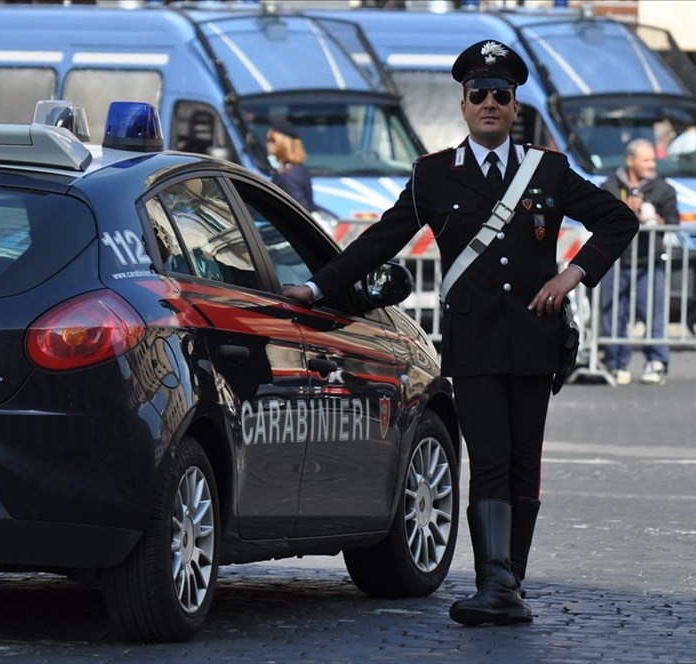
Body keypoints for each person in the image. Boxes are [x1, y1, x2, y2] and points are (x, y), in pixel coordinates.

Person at [282, 40, 638, 627]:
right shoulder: (433, 175)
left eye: (502, 94)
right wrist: (317, 289)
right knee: (491, 458)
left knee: (525, 462)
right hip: (474, 345)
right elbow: (380, 240)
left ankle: (509, 580)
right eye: (480, 94)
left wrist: (573, 275)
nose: (491, 103)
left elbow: (618, 219)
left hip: (534, 339)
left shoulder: (546, 170)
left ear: (516, 104)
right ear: (464, 103)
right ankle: (495, 579)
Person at [600, 138, 678, 385]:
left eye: (653, 159)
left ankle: (656, 362)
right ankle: (616, 363)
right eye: (646, 159)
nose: (652, 164)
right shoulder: (609, 185)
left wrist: (654, 218)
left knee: (653, 311)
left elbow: (673, 221)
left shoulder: (663, 188)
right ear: (630, 160)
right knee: (613, 312)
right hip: (615, 259)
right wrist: (624, 207)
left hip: (649, 259)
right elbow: (599, 214)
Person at [266, 120, 317, 212]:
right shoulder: (298, 169)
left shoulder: (288, 175)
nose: (267, 144)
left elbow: (299, 212)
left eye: (271, 140)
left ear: (281, 143)